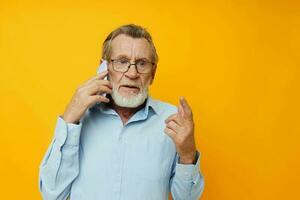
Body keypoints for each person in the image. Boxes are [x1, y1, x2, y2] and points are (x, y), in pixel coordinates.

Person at [39, 24, 204, 200]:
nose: (132, 73)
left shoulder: (174, 123)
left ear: (153, 73)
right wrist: (69, 120)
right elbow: (52, 194)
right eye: (122, 61)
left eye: (142, 63)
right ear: (104, 67)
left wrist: (187, 155)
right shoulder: (79, 118)